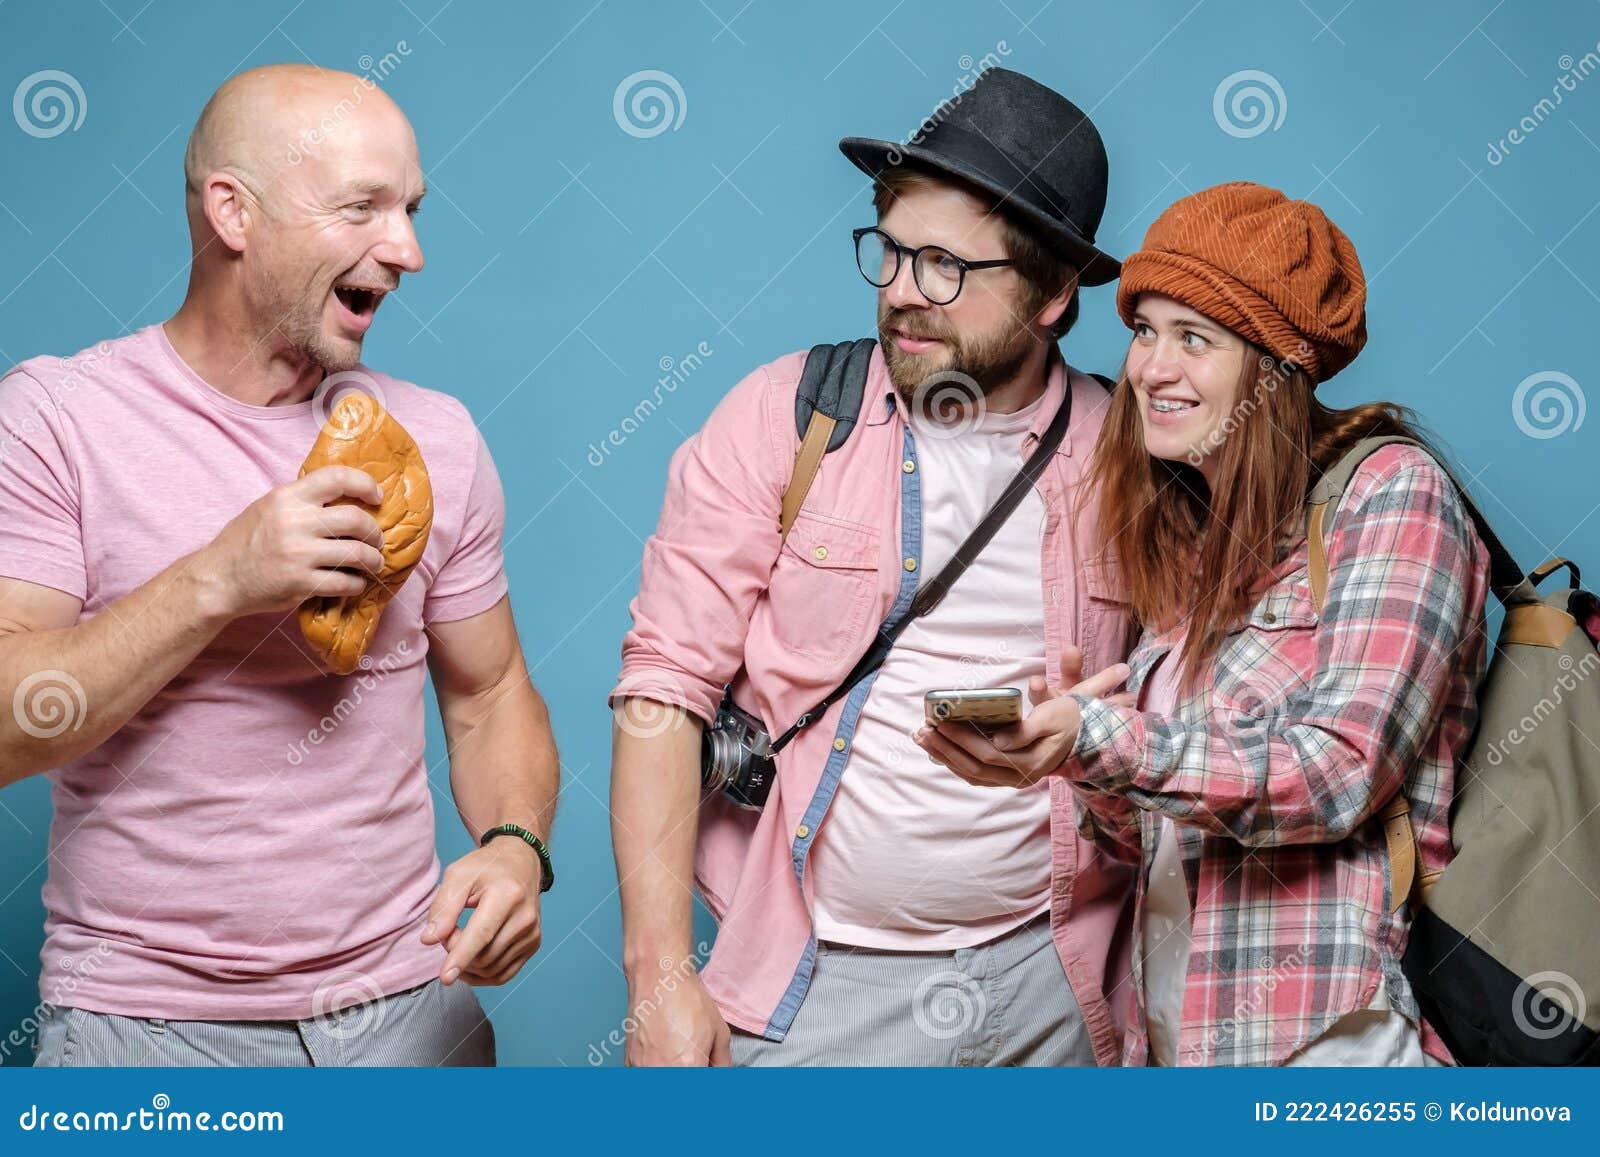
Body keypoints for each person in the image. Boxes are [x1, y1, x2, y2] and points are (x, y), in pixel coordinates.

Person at [0, 64, 559, 1067]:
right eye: (364, 208)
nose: (409, 251)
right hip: (143, 1028)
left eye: (411, 210)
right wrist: (219, 577)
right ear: (234, 212)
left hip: (411, 1009)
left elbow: (490, 691)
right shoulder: (57, 421)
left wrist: (516, 843)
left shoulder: (434, 438)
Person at [609, 67, 1138, 1066]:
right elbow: (660, 692)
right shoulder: (788, 414)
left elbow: (1195, 711)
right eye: (891, 253)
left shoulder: (1132, 457)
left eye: (945, 266)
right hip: (818, 981)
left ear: (1054, 293)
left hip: (1058, 979)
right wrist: (660, 976)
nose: (902, 290)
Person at [919, 181, 1491, 1066]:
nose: (1149, 367)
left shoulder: (1390, 497)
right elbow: (1148, 834)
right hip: (1183, 1043)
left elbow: (1341, 771)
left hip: (1329, 1045)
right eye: (1144, 330)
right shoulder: (1194, 540)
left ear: (1274, 368)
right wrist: (1077, 753)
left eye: (1195, 338)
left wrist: (1111, 737)